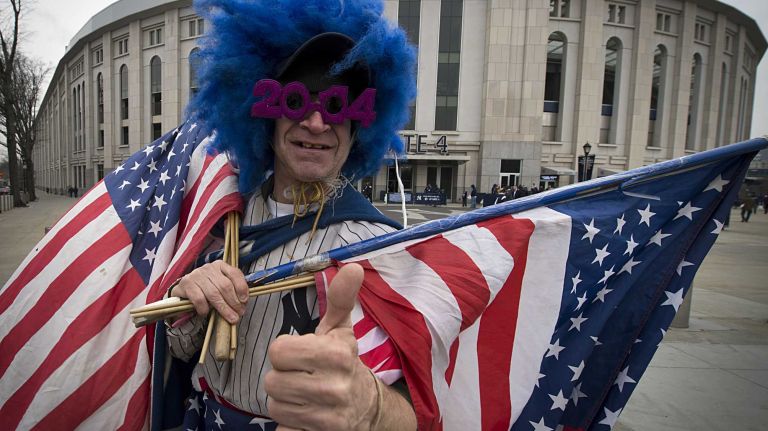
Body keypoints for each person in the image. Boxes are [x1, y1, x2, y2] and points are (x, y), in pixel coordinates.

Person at [162, 2, 418, 430]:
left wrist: (370, 406)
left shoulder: (383, 247)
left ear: (358, 128)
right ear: (266, 113)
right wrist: (187, 298)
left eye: (338, 105)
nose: (316, 122)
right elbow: (181, 348)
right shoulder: (221, 215)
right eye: (296, 100)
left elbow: (416, 408)